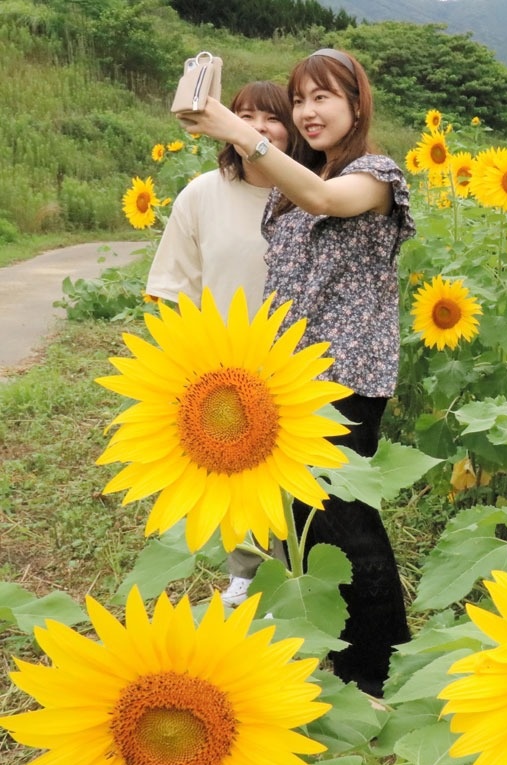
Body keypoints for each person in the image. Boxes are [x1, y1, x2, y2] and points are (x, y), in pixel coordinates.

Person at [176, 48, 416, 698]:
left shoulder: (374, 176)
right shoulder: (295, 183)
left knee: (346, 525)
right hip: (290, 382)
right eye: (300, 99)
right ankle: (338, 654)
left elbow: (324, 197)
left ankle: (378, 671)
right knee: (308, 529)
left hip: (346, 379)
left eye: (323, 97)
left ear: (357, 104)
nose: (308, 112)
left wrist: (233, 124)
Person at [146, 80, 297, 608]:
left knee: (298, 472)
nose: (258, 127)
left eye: (272, 117)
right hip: (222, 362)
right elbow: (175, 286)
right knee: (237, 472)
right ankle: (247, 571)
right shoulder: (202, 194)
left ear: (293, 126)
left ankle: (298, 574)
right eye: (245, 115)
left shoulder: (305, 192)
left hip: (297, 358)